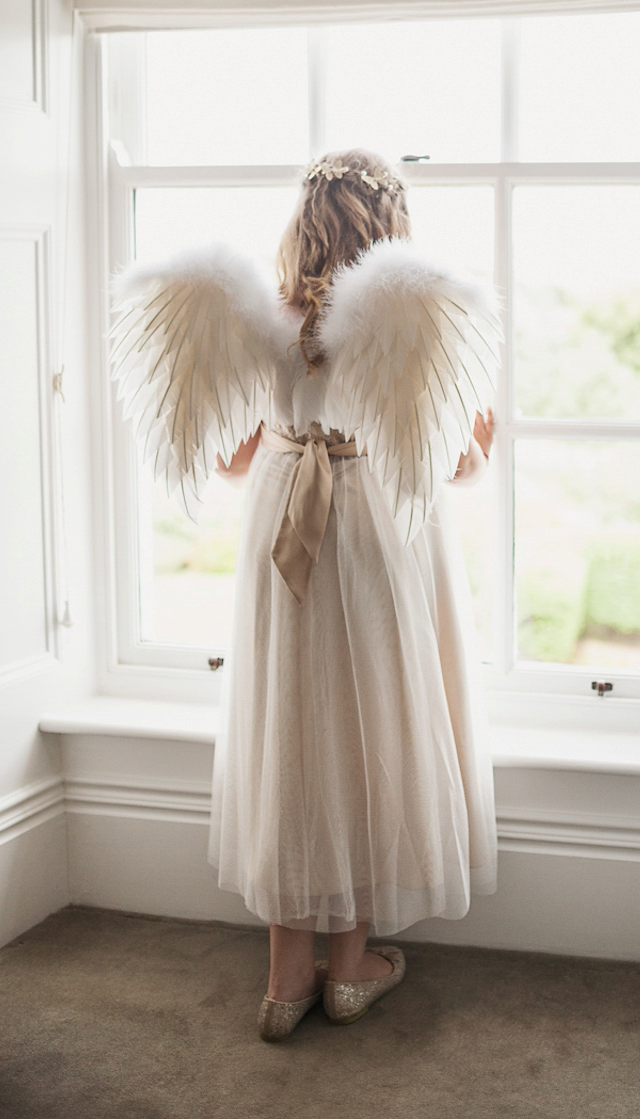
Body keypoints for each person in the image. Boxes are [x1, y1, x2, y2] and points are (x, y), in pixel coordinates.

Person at [110, 149, 500, 1038]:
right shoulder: (413, 323)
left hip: (284, 525)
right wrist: (482, 429)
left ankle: (286, 980)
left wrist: (291, 431)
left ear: (305, 222)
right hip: (371, 534)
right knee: (369, 726)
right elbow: (462, 465)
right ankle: (352, 964)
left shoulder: (260, 321)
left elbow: (229, 457)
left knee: (291, 724)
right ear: (387, 230)